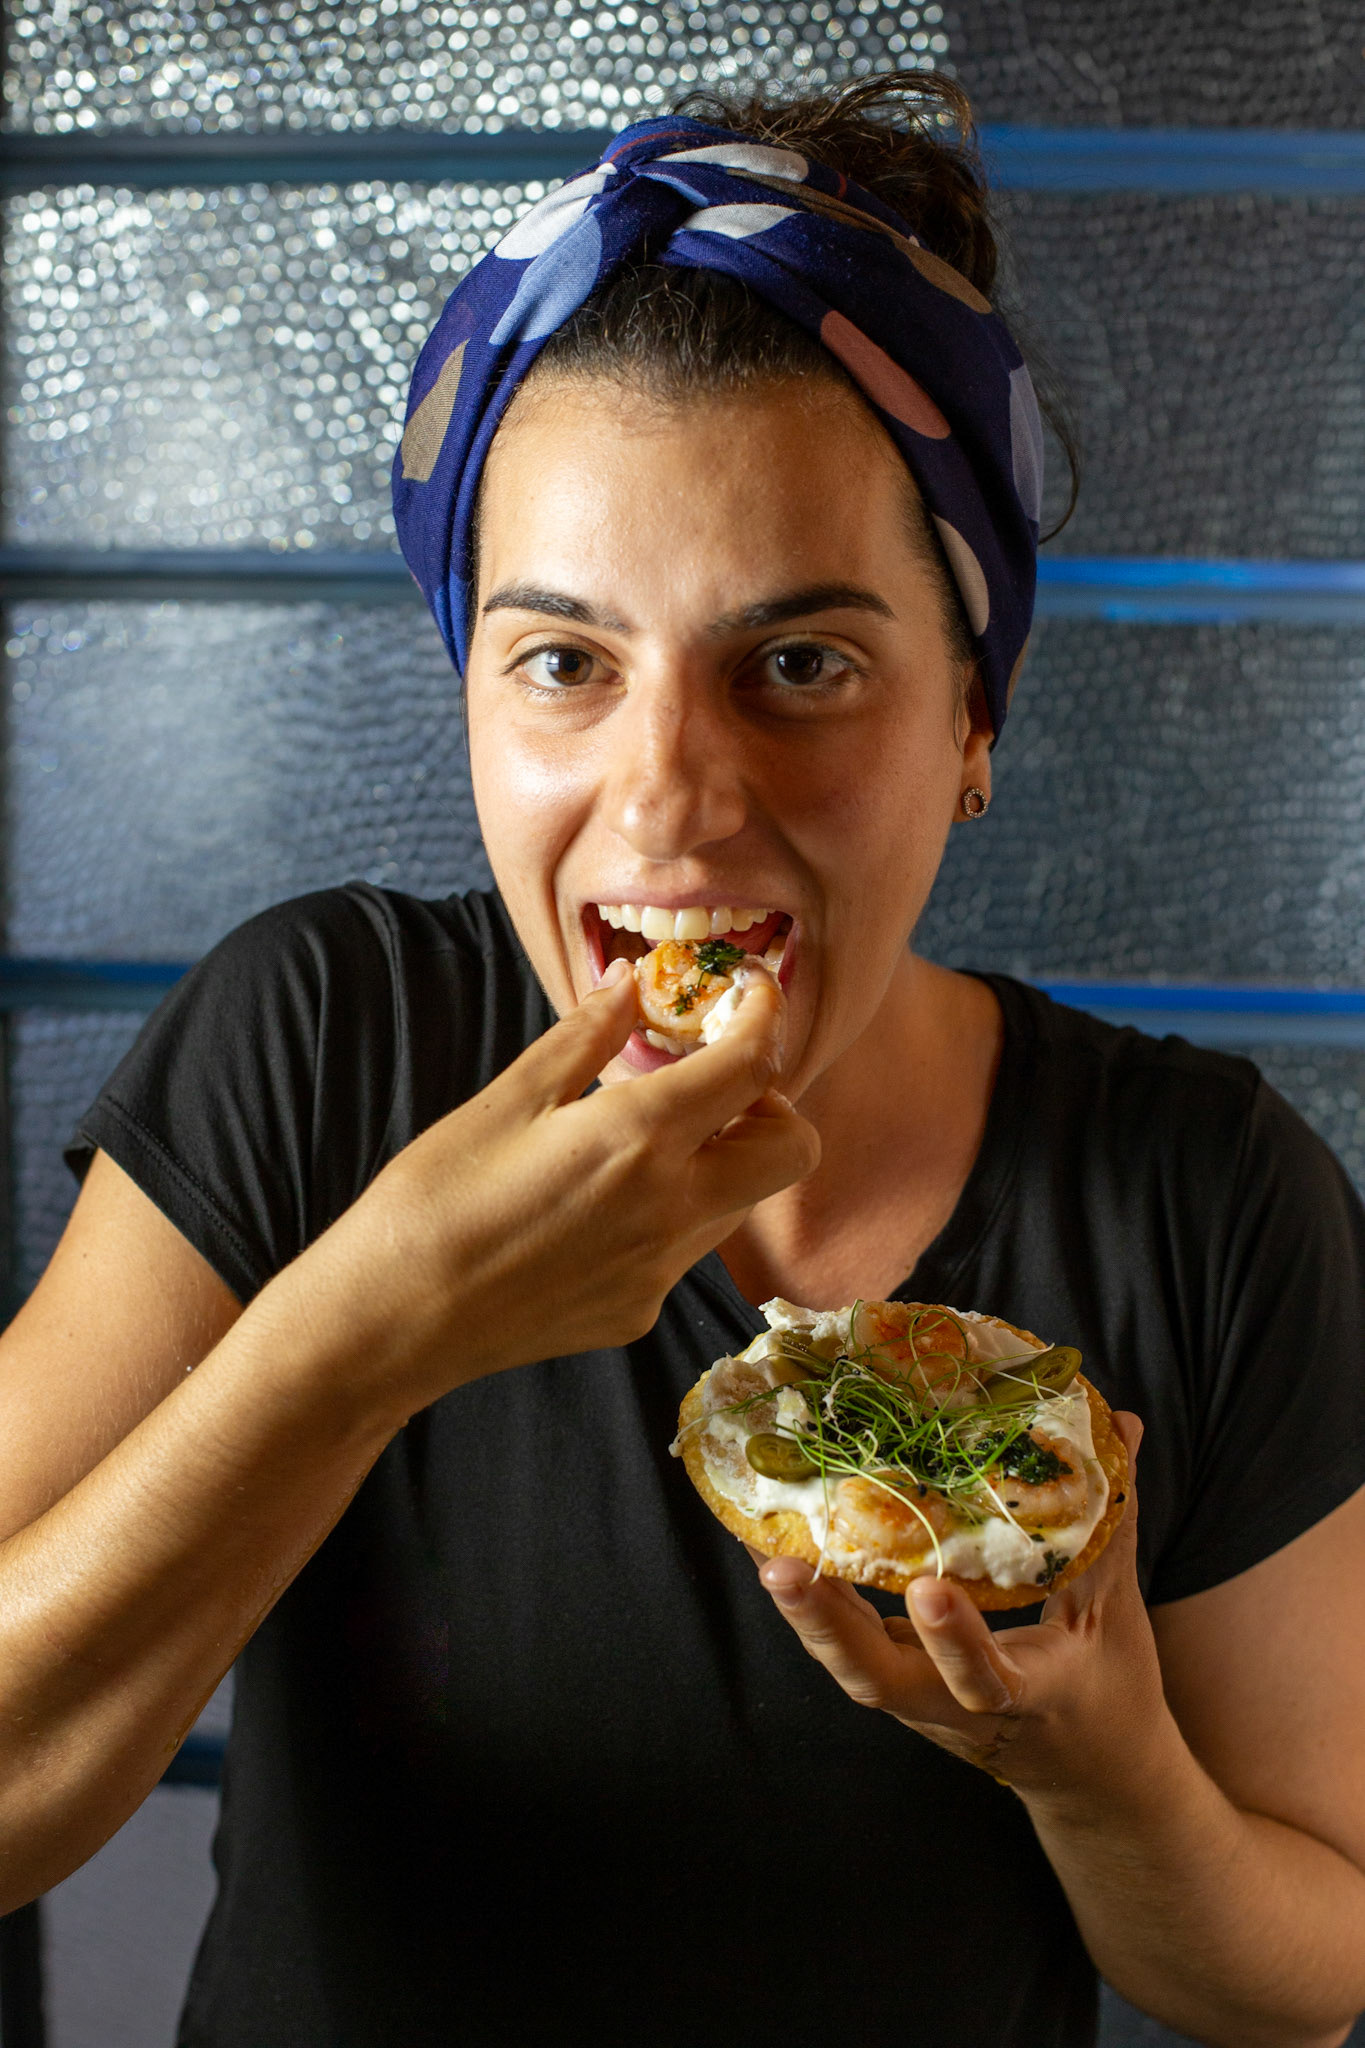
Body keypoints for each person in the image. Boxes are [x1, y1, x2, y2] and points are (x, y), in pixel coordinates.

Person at [1, 72, 1363, 2048]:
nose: (667, 797)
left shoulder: (1198, 1194)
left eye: (797, 663)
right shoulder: (321, 1043)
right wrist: (369, 1332)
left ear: (971, 721)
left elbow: (1302, 1980)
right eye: (562, 661)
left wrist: (1098, 1773)